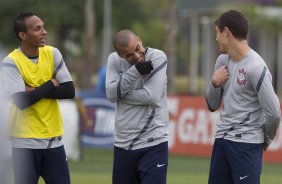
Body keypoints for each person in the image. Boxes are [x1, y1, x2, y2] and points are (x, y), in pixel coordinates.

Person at [206, 9, 281, 184]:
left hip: (246, 145)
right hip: (222, 141)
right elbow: (211, 105)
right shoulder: (222, 61)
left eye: (217, 33)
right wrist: (214, 84)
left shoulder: (256, 67)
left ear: (226, 32)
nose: (216, 39)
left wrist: (265, 140)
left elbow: (274, 113)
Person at [1, 12, 75, 184]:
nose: (44, 32)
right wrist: (51, 83)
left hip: (53, 140)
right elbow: (22, 102)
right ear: (23, 35)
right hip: (24, 143)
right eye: (37, 28)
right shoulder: (11, 61)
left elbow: (69, 91)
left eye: (43, 27)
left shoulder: (53, 53)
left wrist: (32, 90)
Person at [106, 29, 169, 184]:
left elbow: (151, 96)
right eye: (128, 55)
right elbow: (110, 94)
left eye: (137, 49)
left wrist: (120, 93)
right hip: (123, 143)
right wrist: (135, 71)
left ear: (139, 40)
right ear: (120, 55)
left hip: (153, 142)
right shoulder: (113, 60)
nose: (136, 56)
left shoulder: (157, 57)